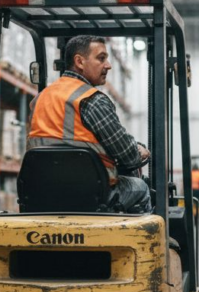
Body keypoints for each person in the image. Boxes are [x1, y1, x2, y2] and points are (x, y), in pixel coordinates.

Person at [27, 35, 153, 214]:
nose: (108, 65)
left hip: (41, 193)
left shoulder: (40, 98)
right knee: (141, 187)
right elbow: (128, 155)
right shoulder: (91, 100)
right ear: (79, 61)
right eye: (101, 58)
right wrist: (138, 150)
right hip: (89, 195)